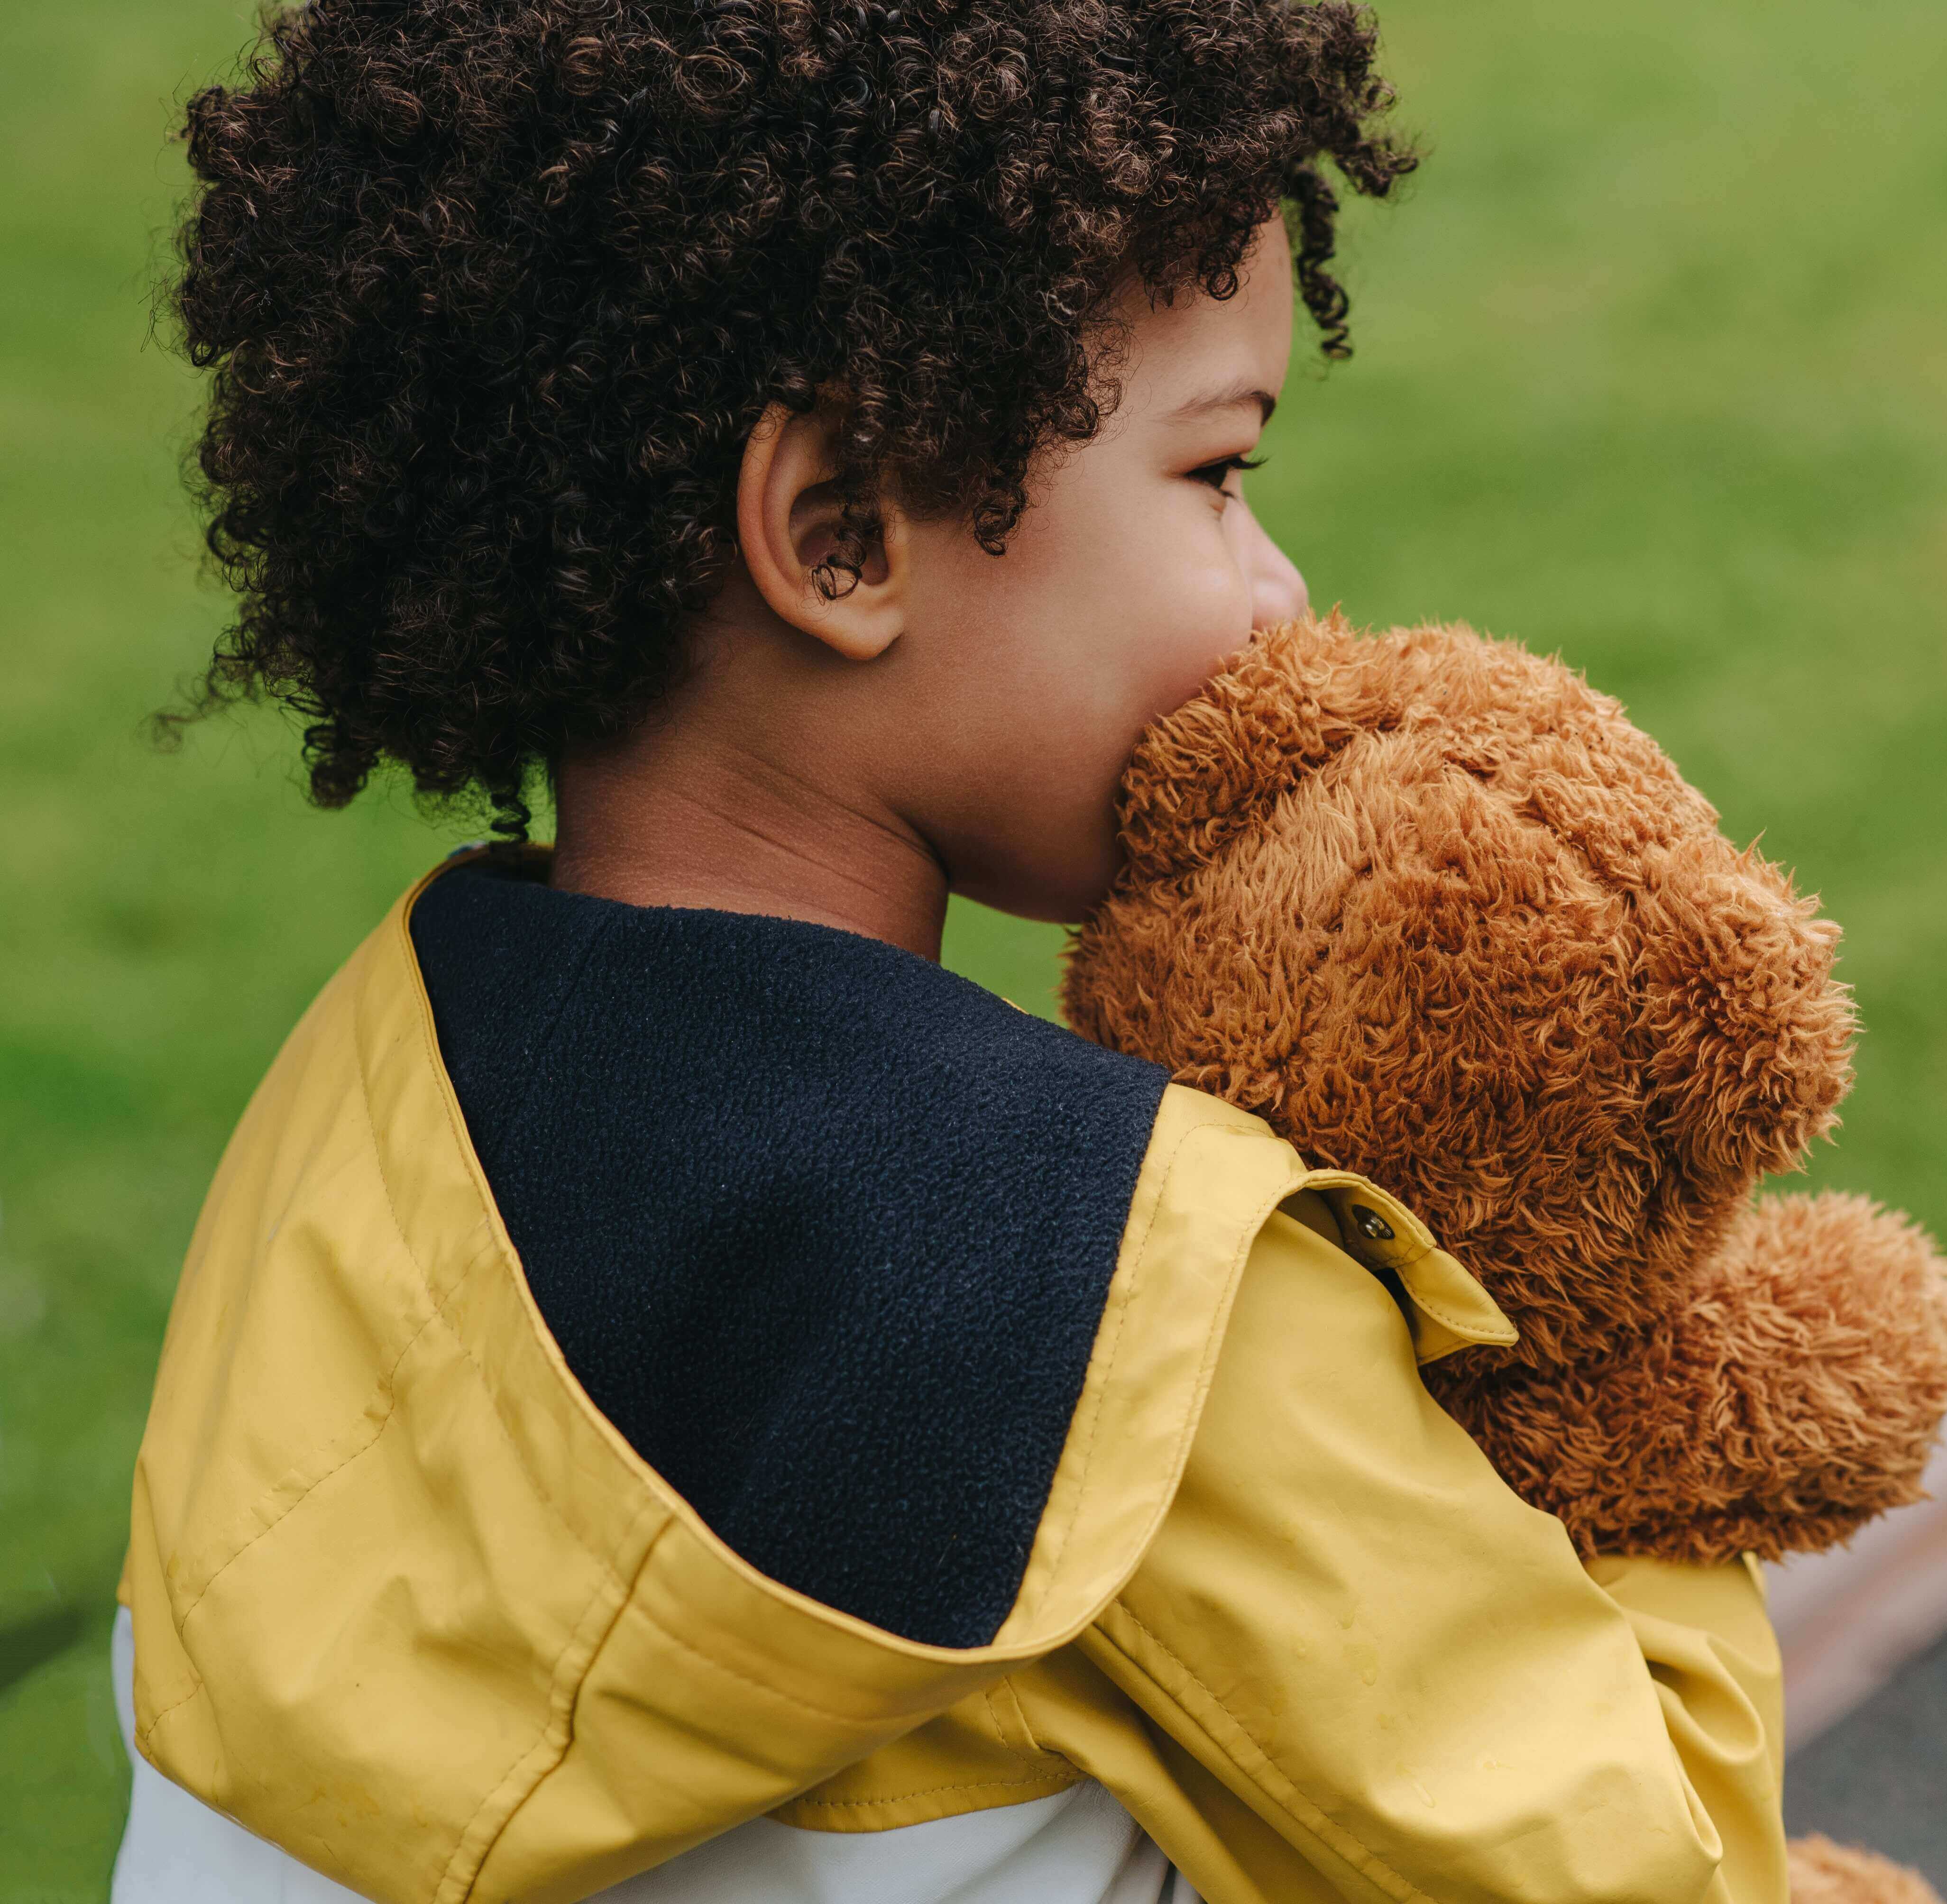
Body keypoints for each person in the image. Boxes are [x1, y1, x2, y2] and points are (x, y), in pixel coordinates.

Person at [112, 3, 1792, 1901]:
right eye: (1213, 471)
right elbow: (1652, 1871)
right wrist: (1629, 1385)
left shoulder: (355, 1125)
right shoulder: (1138, 1296)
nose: (1278, 585)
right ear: (841, 537)